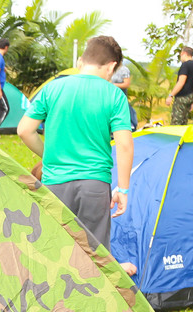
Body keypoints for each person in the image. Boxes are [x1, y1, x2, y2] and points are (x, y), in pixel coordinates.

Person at [18, 36, 134, 266]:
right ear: (111, 66)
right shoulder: (114, 95)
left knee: (52, 251)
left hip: (54, 183)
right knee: (95, 257)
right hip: (94, 185)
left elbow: (24, 130)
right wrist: (122, 189)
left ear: (82, 60)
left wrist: (49, 156)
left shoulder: (52, 89)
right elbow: (124, 145)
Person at [166, 46, 193, 126]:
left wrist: (171, 95)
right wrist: (192, 101)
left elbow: (181, 82)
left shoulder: (185, 65)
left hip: (181, 98)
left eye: (180, 55)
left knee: (176, 123)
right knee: (184, 122)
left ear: (184, 53)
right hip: (189, 97)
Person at [111, 62, 139, 132]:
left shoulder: (124, 69)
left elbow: (126, 84)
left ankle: (131, 126)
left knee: (126, 112)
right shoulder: (110, 69)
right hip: (111, 96)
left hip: (121, 95)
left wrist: (113, 85)